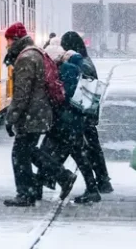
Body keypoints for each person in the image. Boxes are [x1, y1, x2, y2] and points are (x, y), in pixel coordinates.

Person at [3, 23, 76, 207]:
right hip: (39, 111)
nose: (7, 45)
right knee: (29, 151)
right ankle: (57, 179)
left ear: (15, 39)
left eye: (9, 40)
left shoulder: (25, 58)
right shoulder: (35, 53)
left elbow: (22, 94)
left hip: (32, 114)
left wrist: (11, 117)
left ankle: (27, 193)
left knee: (19, 154)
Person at [41, 44, 102, 204]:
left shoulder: (66, 69)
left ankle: (56, 179)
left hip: (68, 120)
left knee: (58, 152)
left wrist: (54, 98)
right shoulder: (69, 68)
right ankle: (88, 187)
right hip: (71, 120)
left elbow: (65, 95)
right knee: (77, 153)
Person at [60, 31, 113, 193]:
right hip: (89, 111)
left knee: (81, 148)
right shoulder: (86, 61)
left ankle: (98, 183)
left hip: (82, 112)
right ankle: (103, 180)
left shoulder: (78, 64)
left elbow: (77, 89)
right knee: (92, 148)